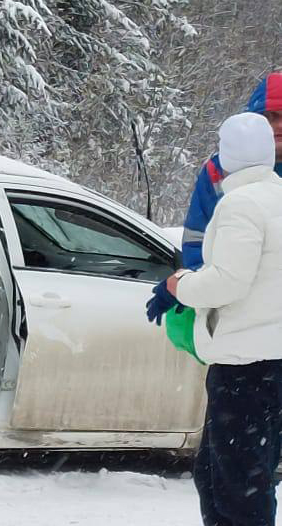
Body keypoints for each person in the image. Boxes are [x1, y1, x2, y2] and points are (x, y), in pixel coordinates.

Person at [166, 113, 282, 526]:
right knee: (228, 475)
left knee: (235, 485)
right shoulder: (275, 197)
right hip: (270, 363)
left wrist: (180, 285)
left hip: (244, 366)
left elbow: (228, 282)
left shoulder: (241, 204)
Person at [147, 71, 282, 325]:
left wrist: (181, 287)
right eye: (269, 117)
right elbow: (197, 239)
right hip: (230, 310)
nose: (278, 126)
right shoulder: (218, 171)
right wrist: (198, 289)